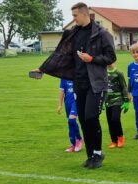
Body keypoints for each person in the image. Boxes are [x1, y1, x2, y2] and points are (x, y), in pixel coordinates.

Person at [32, 2, 117, 169]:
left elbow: (111, 57)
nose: (73, 19)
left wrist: (91, 59)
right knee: (84, 120)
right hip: (79, 83)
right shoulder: (73, 34)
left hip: (96, 83)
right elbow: (59, 54)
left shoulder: (102, 34)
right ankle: (90, 155)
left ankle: (98, 153)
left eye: (75, 16)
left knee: (92, 117)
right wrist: (42, 68)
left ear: (85, 14)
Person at [105, 63, 129, 148]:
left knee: (115, 118)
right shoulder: (103, 72)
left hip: (118, 100)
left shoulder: (118, 73)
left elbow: (124, 87)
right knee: (110, 121)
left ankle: (120, 138)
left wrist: (126, 101)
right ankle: (114, 141)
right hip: (108, 101)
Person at [57, 79, 83, 152]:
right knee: (70, 123)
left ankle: (79, 139)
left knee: (71, 120)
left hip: (76, 102)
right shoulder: (63, 78)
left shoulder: (77, 76)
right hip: (67, 103)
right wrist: (59, 105)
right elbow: (61, 91)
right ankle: (73, 144)